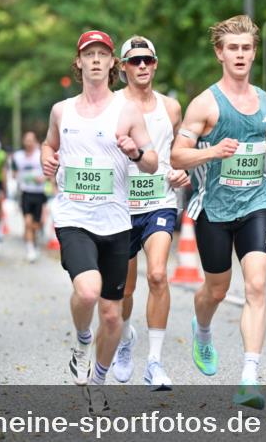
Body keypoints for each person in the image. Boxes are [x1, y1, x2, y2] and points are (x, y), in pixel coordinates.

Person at [171, 15, 266, 409]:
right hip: (215, 209)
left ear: (254, 53)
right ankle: (201, 328)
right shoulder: (205, 104)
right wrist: (212, 151)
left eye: (247, 48)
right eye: (233, 48)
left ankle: (249, 376)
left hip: (257, 202)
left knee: (256, 286)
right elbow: (177, 154)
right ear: (220, 53)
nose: (240, 54)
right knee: (216, 289)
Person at [41, 30, 158, 386]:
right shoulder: (61, 111)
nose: (95, 60)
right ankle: (81, 340)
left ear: (112, 64)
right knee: (88, 291)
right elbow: (49, 145)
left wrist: (135, 153)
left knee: (112, 316)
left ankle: (98, 383)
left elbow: (153, 161)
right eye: (88, 54)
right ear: (78, 62)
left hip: (116, 223)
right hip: (74, 218)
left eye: (101, 54)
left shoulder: (128, 111)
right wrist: (48, 161)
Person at [112, 36, 191, 390]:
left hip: (160, 201)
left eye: (147, 60)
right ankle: (125, 339)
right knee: (124, 289)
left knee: (158, 275)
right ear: (123, 68)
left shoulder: (170, 108)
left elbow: (179, 152)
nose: (141, 66)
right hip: (120, 207)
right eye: (134, 61)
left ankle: (154, 362)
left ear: (155, 65)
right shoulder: (111, 106)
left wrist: (181, 172)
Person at [12, 131, 46, 262]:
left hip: (39, 193)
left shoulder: (41, 154)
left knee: (36, 225)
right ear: (23, 142)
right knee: (27, 222)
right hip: (25, 193)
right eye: (26, 140)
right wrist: (17, 176)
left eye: (31, 140)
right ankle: (30, 249)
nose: (29, 142)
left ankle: (34, 240)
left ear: (35, 141)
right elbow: (14, 173)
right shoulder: (18, 156)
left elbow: (50, 172)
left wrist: (44, 178)